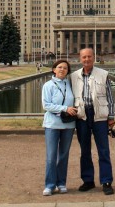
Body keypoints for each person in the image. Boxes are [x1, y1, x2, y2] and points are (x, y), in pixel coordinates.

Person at [70, 47, 115, 195]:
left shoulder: (103, 74)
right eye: (84, 57)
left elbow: (110, 97)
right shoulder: (74, 76)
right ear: (80, 59)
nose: (87, 59)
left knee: (103, 150)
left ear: (93, 57)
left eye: (89, 57)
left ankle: (106, 181)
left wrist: (111, 117)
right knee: (85, 150)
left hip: (99, 115)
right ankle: (88, 180)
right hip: (82, 115)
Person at [41, 60, 77, 196]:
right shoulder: (48, 85)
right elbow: (46, 105)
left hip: (68, 125)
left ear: (68, 71)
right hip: (52, 124)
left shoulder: (70, 84)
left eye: (65, 68)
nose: (62, 69)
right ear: (54, 69)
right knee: (51, 156)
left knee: (63, 155)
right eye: (59, 67)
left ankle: (61, 183)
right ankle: (49, 185)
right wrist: (65, 108)